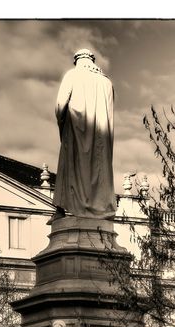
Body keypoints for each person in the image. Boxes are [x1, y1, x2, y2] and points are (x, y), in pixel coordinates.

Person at [54, 48, 116, 219]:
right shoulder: (106, 83)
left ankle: (62, 210)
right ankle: (101, 207)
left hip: (75, 132)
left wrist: (62, 125)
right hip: (101, 139)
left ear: (77, 61)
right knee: (99, 170)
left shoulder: (72, 76)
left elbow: (60, 107)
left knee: (71, 167)